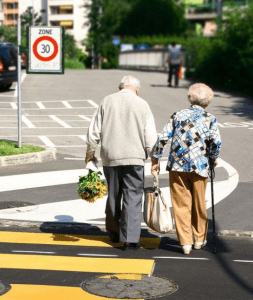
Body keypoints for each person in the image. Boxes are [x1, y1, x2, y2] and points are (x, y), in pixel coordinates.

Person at [85, 75, 157, 251]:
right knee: (133, 197)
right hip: (135, 158)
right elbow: (151, 136)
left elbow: (93, 131)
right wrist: (154, 158)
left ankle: (114, 231)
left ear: (120, 87)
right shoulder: (143, 104)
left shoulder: (106, 101)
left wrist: (90, 153)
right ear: (137, 89)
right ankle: (131, 239)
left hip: (111, 157)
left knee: (114, 194)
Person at [151, 83, 221, 255]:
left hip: (178, 165)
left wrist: (155, 158)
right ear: (207, 101)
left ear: (190, 97)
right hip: (200, 166)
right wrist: (212, 159)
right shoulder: (210, 118)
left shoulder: (178, 115)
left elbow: (162, 138)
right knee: (199, 203)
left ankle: (185, 243)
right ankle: (199, 239)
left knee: (181, 205)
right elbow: (216, 143)